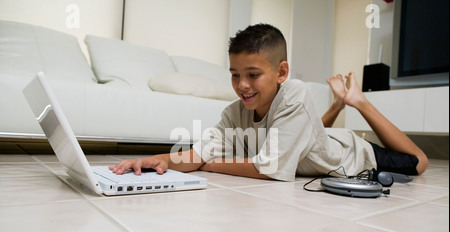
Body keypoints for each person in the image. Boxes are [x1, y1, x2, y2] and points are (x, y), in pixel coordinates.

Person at [109, 24, 428, 181]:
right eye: (234, 74)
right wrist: (156, 158)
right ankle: (338, 105)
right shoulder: (233, 112)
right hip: (314, 142)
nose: (242, 85)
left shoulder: (295, 92)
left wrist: (205, 165)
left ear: (282, 72)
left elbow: (272, 169)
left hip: (352, 152)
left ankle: (357, 101)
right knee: (308, 137)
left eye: (253, 74)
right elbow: (197, 152)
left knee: (420, 162)